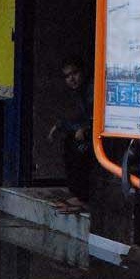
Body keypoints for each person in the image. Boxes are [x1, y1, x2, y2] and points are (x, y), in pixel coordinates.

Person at [48, 57, 94, 213]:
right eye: (67, 76)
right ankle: (79, 195)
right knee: (70, 144)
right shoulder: (78, 92)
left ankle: (84, 197)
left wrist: (86, 128)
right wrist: (59, 126)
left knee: (79, 151)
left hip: (99, 138)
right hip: (87, 133)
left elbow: (96, 115)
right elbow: (75, 116)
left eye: (75, 73)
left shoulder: (91, 89)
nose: (72, 79)